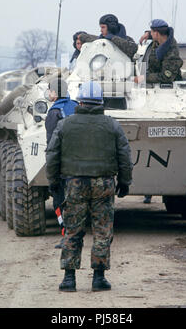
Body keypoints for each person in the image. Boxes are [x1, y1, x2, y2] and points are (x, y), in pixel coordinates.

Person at [46, 81, 133, 292]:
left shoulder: (65, 124)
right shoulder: (112, 125)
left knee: (73, 230)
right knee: (102, 231)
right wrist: (124, 182)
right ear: (101, 102)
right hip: (103, 184)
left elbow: (52, 155)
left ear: (80, 100)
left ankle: (69, 279)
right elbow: (124, 156)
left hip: (74, 184)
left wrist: (53, 182)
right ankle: (98, 278)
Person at [45, 77, 78, 246]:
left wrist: (52, 173)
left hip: (63, 166)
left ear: (55, 93)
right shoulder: (76, 106)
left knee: (59, 200)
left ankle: (66, 234)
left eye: (50, 90)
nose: (48, 93)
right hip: (81, 164)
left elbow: (52, 145)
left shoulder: (54, 112)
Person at [136, 19, 183, 84]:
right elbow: (160, 35)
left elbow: (166, 77)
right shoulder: (162, 39)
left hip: (168, 88)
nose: (151, 34)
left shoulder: (171, 53)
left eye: (151, 32)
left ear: (156, 34)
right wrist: (148, 34)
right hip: (154, 82)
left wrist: (143, 78)